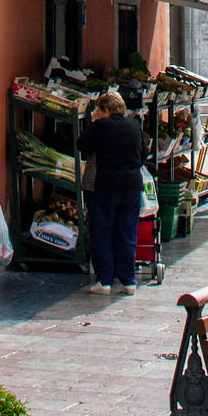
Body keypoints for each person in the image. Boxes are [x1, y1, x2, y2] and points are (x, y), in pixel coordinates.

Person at [78, 88, 145, 295]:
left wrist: (92, 122)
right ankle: (129, 281)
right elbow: (143, 153)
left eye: (98, 109)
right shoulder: (135, 125)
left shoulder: (101, 127)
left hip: (104, 187)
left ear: (105, 110)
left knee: (102, 233)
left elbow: (82, 145)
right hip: (131, 186)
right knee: (127, 233)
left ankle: (105, 281)